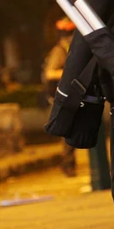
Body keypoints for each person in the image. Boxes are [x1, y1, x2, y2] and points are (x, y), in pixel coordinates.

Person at [43, 17, 77, 176]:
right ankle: (67, 165)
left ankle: (69, 164)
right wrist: (71, 73)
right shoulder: (60, 50)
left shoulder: (69, 49)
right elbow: (50, 73)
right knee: (68, 131)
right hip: (60, 97)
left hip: (68, 96)